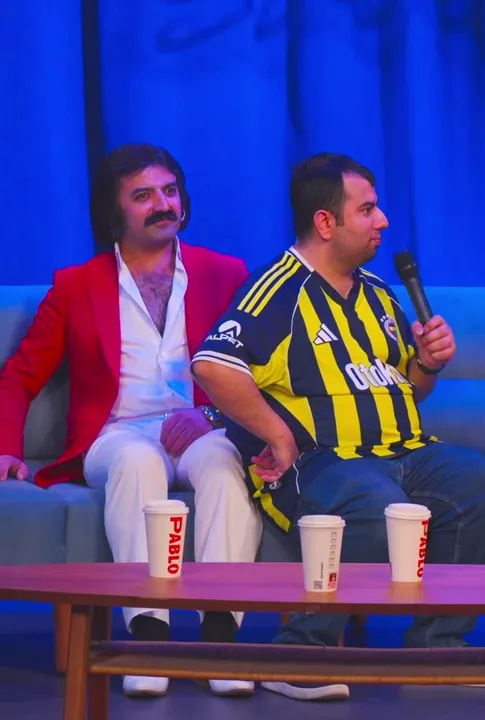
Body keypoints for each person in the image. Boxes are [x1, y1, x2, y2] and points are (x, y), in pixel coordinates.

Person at [190, 152, 485, 702]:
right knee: (373, 501)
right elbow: (213, 365)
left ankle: (436, 646)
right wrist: (278, 434)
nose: (382, 220)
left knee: (479, 482)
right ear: (325, 222)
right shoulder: (278, 289)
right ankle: (297, 654)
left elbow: (406, 387)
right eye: (367, 209)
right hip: (322, 462)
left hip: (404, 452)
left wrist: (427, 363)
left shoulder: (379, 293)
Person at [0, 144, 261, 698]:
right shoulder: (76, 285)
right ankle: (148, 639)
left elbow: (261, 369)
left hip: (201, 426)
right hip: (117, 434)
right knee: (139, 461)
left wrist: (212, 413)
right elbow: (19, 376)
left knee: (223, 463)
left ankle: (222, 640)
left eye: (169, 191)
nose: (162, 204)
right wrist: (7, 448)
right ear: (114, 210)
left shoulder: (225, 273)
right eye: (143, 195)